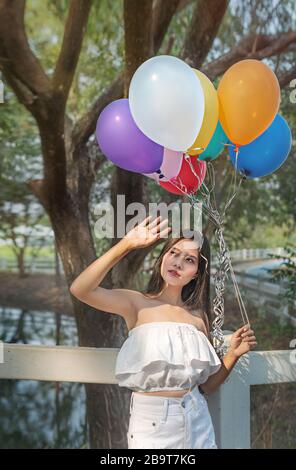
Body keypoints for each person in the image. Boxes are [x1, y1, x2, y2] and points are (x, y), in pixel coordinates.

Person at [70, 215, 257, 449]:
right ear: (162, 258)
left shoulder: (199, 317)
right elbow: (80, 289)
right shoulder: (135, 303)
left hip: (198, 419)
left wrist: (233, 354)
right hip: (152, 426)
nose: (177, 263)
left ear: (197, 273)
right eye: (173, 253)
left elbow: (207, 387)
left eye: (189, 259)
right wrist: (127, 244)